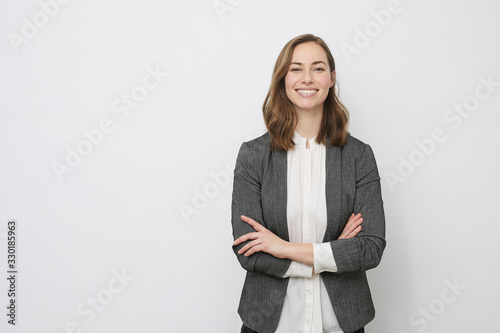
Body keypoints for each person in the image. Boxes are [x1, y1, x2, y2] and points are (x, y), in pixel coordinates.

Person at [231, 34, 386, 333]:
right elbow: (248, 250)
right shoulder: (253, 156)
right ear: (283, 79)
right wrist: (333, 253)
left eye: (317, 68)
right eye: (296, 68)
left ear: (331, 78)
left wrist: (282, 248)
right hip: (268, 323)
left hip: (342, 323)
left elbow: (371, 248)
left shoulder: (359, 156)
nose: (307, 78)